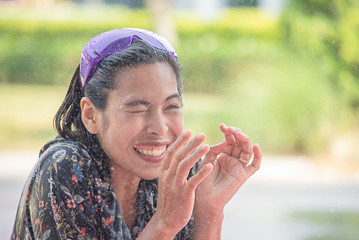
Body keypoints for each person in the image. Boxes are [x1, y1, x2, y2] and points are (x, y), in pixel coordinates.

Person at [11, 28, 262, 240]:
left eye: (171, 106)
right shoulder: (66, 167)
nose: (160, 128)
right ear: (91, 115)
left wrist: (209, 208)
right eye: (138, 108)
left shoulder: (176, 171)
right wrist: (164, 224)